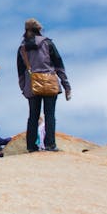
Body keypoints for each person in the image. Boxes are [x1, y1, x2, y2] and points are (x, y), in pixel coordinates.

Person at [16, 18, 72, 153]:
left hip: (32, 85)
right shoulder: (48, 43)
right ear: (39, 29)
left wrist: (24, 88)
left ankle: (31, 147)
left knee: (33, 116)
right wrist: (66, 86)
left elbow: (20, 72)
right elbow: (59, 65)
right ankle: (50, 145)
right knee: (49, 115)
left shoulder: (22, 48)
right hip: (49, 83)